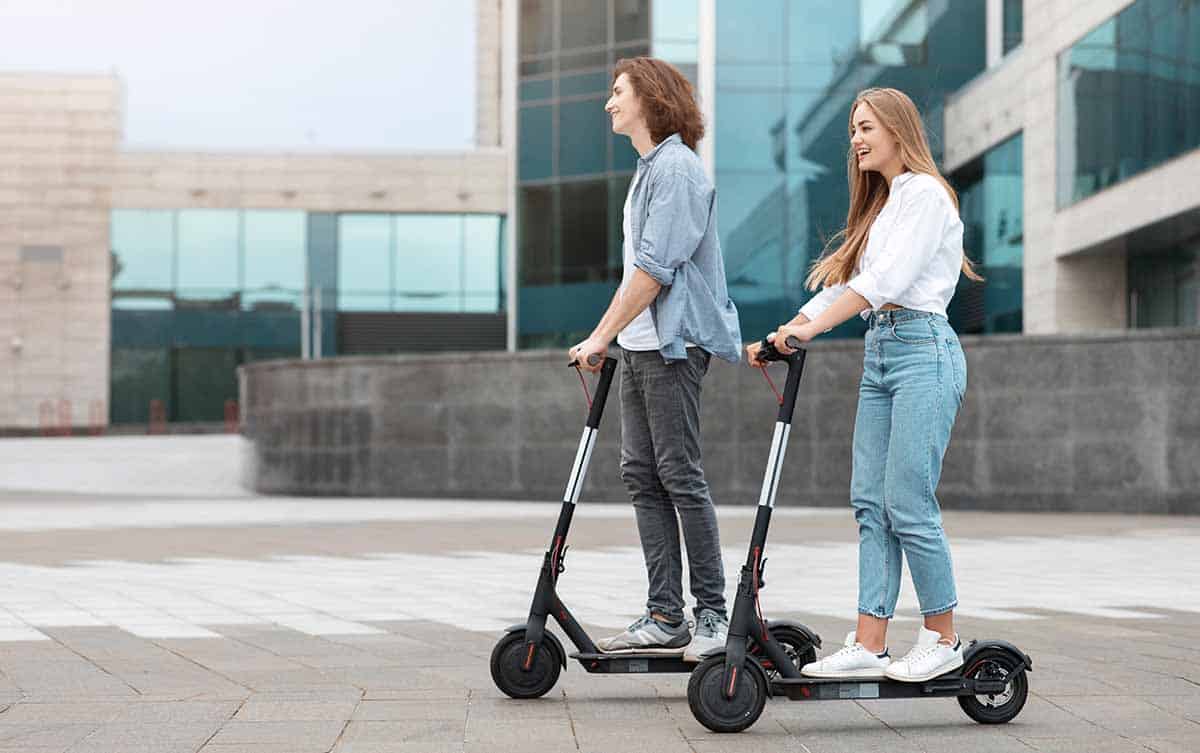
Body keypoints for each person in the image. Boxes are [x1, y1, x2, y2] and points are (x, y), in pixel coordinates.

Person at [747, 87, 982, 682]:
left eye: (865, 128)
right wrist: (787, 329)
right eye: (853, 129)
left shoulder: (927, 196)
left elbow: (886, 281)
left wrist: (810, 332)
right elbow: (850, 283)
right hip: (881, 352)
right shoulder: (885, 206)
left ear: (899, 130)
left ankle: (942, 636)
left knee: (908, 501)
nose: (855, 139)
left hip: (924, 352)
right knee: (870, 504)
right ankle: (870, 642)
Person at [568, 57, 742, 662]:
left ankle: (713, 616)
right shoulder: (647, 173)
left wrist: (598, 336)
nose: (609, 103)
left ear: (650, 97)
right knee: (641, 475)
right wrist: (616, 338)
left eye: (618, 92)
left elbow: (652, 270)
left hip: (672, 347)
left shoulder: (678, 171)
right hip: (643, 347)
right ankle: (666, 614)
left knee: (680, 474)